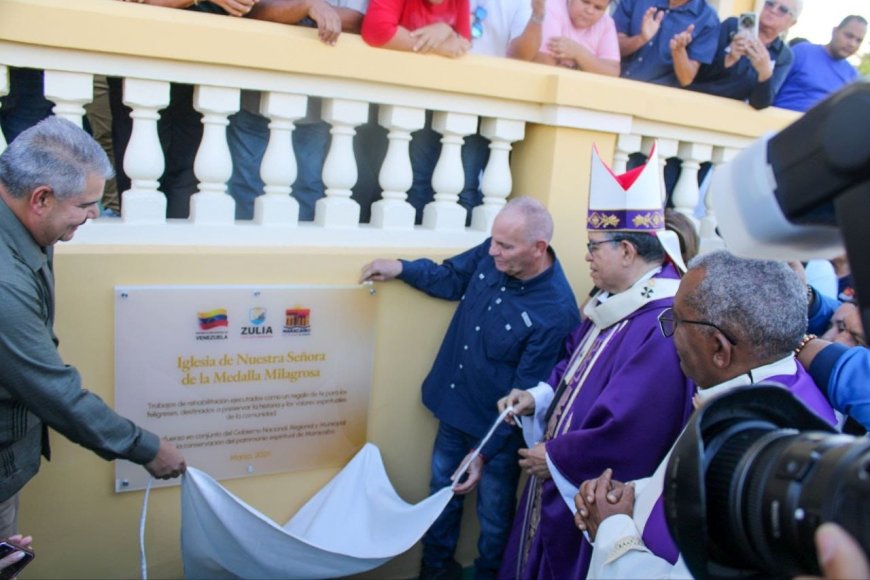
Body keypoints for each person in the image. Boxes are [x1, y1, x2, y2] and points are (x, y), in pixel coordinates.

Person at [495, 144, 694, 579]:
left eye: (594, 246)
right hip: (557, 471)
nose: (586, 256)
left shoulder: (661, 323)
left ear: (627, 251)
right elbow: (574, 363)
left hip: (587, 487)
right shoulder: (612, 299)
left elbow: (634, 426)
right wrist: (538, 396)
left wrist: (558, 457)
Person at [576, 251, 837, 579]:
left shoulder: (756, 452)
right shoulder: (768, 395)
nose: (670, 335)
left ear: (719, 349)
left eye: (675, 321)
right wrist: (629, 495)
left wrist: (613, 528)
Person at [359, 197, 580, 580]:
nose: (493, 251)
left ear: (538, 248)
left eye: (505, 246)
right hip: (454, 407)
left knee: (493, 519)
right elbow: (451, 277)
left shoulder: (556, 311)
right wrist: (400, 268)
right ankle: (433, 572)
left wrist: (484, 452)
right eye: (493, 241)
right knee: (440, 499)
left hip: (498, 436)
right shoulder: (495, 252)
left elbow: (524, 398)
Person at [0, 117, 186, 537]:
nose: (94, 214)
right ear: (41, 198)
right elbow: (53, 390)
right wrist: (147, 448)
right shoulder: (4, 283)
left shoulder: (26, 226)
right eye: (85, 205)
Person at [225, 0, 370, 221]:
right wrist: (307, 7)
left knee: (307, 188)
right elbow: (253, 11)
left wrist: (300, 12)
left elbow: (358, 21)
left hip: (315, 102)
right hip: (258, 92)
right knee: (247, 187)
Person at [689, 0, 800, 109]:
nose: (773, 10)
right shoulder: (732, 26)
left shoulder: (783, 55)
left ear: (792, 23)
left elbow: (760, 104)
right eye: (770, 3)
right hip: (698, 100)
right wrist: (728, 59)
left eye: (782, 10)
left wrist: (765, 73)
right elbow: (698, 73)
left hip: (734, 113)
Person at [613, 0, 719, 87]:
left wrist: (678, 51)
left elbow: (686, 79)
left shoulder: (707, 18)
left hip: (655, 97)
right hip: (613, 83)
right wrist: (641, 39)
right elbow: (611, 50)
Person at [773, 15, 867, 112]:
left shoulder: (853, 76)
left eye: (858, 40)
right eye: (849, 36)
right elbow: (770, 89)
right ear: (835, 31)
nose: (852, 44)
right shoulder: (803, 52)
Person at [534, 0, 619, 76]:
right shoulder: (552, 6)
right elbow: (545, 64)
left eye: (598, 8)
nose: (589, 11)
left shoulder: (606, 23)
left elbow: (613, 71)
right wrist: (590, 66)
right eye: (585, 2)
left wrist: (578, 53)